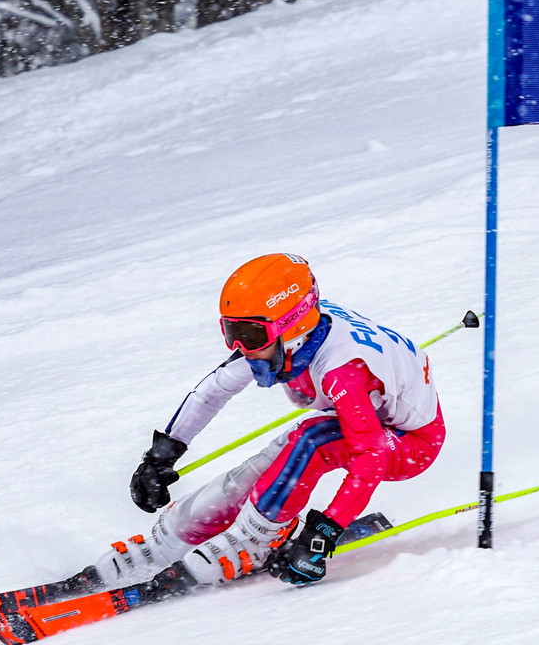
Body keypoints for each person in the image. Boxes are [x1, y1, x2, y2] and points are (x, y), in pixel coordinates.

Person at [92, 253, 446, 598]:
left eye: (250, 334)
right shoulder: (284, 341)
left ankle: (253, 543)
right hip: (363, 417)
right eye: (231, 331)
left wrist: (321, 535)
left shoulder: (342, 371)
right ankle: (169, 539)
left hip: (409, 444)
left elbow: (371, 457)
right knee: (270, 462)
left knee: (311, 441)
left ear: (291, 326)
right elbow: (213, 390)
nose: (239, 346)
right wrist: (161, 456)